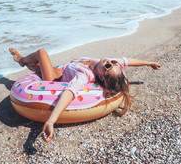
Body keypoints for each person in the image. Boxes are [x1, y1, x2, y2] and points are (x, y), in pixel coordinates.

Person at [9, 48, 161, 142]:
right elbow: (127, 61)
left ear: (101, 77)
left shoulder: (85, 75)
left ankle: (22, 60)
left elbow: (69, 92)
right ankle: (27, 63)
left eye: (109, 66)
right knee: (38, 65)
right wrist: (150, 63)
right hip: (62, 70)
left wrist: (51, 121)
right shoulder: (105, 64)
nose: (110, 61)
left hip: (54, 79)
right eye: (113, 63)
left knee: (41, 53)